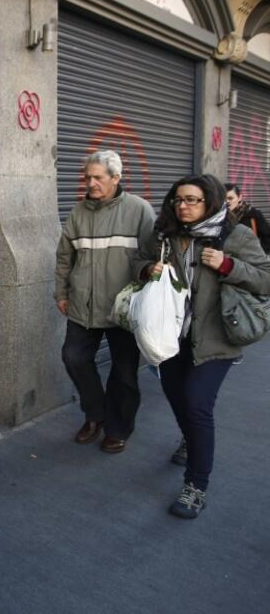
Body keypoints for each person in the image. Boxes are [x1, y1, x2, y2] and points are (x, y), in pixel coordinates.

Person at [134, 175, 270, 519]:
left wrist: (228, 265)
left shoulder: (236, 236)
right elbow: (137, 261)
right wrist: (148, 269)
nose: (183, 206)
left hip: (216, 338)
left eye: (192, 200)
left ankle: (196, 486)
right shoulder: (164, 234)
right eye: (178, 199)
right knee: (176, 396)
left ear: (210, 202)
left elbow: (266, 278)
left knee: (197, 404)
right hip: (169, 336)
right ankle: (189, 438)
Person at [55, 150, 155, 452]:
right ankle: (95, 414)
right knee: (74, 357)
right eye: (87, 177)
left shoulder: (139, 210)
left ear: (116, 178)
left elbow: (152, 255)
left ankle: (118, 428)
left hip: (124, 308)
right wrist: (61, 293)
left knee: (124, 373)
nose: (91, 183)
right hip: (83, 304)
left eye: (98, 177)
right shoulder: (78, 212)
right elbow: (64, 257)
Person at [224, 182, 270, 254]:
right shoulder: (218, 218)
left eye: (230, 198)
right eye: (223, 199)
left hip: (250, 258)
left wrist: (259, 254)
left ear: (239, 198)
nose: (227, 202)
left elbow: (267, 237)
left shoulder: (253, 214)